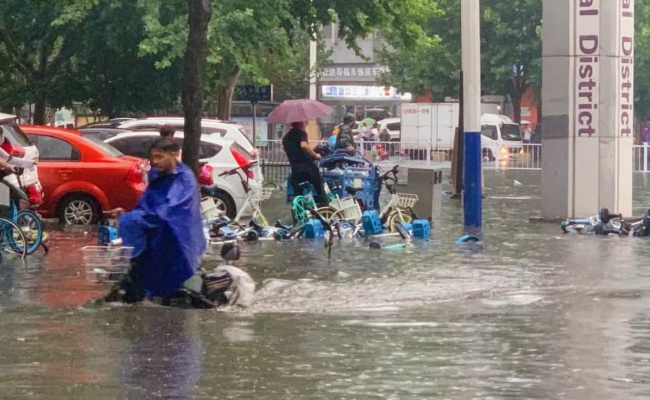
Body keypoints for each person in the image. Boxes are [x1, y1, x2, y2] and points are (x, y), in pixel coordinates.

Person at [109, 137, 206, 304]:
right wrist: (128, 213)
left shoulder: (184, 180)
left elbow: (170, 212)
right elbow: (149, 204)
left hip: (176, 240)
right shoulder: (157, 176)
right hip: (154, 236)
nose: (155, 161)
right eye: (153, 157)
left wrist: (137, 218)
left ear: (174, 154)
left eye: (160, 157)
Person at [282, 121, 327, 205]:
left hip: (295, 170)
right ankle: (325, 208)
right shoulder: (301, 133)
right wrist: (315, 155)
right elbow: (304, 145)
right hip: (308, 168)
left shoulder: (286, 138)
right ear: (301, 123)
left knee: (298, 193)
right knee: (319, 188)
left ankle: (299, 210)